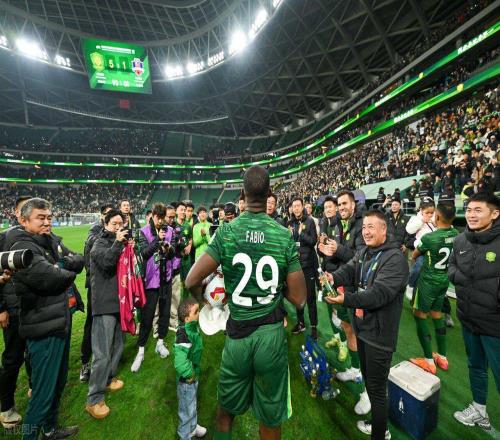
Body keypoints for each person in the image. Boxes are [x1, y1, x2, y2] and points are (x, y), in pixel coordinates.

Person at [185, 165, 307, 440]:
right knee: (270, 416)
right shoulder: (283, 234)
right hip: (271, 336)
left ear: (243, 194)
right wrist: (276, 286)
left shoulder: (227, 232)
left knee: (225, 412)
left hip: (237, 334)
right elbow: (300, 299)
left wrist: (210, 304)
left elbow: (192, 280)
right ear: (269, 193)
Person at [325, 210, 409, 440]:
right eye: (364, 227)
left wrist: (346, 299)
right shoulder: (364, 251)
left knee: (377, 390)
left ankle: (381, 433)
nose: (366, 232)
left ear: (384, 229)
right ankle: (379, 425)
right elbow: (350, 269)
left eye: (371, 227)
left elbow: (378, 294)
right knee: (372, 385)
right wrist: (334, 278)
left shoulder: (395, 259)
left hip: (379, 336)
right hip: (363, 329)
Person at [9, 198, 84, 440]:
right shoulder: (21, 245)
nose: (47, 222)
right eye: (40, 218)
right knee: (41, 395)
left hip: (59, 322)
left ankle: (50, 430)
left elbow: (79, 259)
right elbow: (52, 278)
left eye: (49, 217)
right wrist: (63, 265)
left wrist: (60, 264)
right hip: (43, 330)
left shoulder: (49, 240)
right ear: (23, 220)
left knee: (58, 384)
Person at [449, 193, 500, 430]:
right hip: (468, 318)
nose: (471, 215)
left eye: (478, 210)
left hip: (495, 324)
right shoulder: (460, 240)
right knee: (476, 366)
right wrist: (460, 278)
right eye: (469, 210)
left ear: (495, 213)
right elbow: (451, 267)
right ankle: (479, 411)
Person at [322, 190, 369, 415]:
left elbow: (361, 257)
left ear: (353, 204)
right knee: (348, 327)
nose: (340, 207)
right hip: (346, 285)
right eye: (339, 204)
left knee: (364, 337)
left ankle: (368, 391)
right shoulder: (339, 224)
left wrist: (337, 250)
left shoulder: (361, 224)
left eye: (344, 204)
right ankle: (354, 368)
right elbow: (344, 258)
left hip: (361, 289)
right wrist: (329, 254)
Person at [86, 209, 128, 420]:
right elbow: (107, 263)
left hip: (119, 303)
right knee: (102, 353)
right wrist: (118, 242)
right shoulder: (99, 242)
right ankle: (94, 399)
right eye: (114, 224)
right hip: (104, 304)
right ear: (105, 224)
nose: (118, 227)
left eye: (121, 224)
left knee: (117, 345)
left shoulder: (120, 242)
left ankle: (109, 379)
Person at [409, 203, 458, 374]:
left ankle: (429, 361)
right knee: (437, 315)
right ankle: (442, 357)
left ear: (437, 216)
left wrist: (416, 256)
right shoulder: (456, 234)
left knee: (419, 315)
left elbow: (415, 254)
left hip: (428, 282)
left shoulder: (430, 238)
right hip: (443, 281)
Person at [130, 203, 175, 372]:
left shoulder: (170, 231)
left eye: (163, 218)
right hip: (150, 281)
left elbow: (173, 254)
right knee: (147, 317)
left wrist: (168, 248)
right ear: (153, 216)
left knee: (165, 314)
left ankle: (160, 343)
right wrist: (157, 241)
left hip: (166, 279)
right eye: (158, 218)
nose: (161, 221)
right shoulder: (143, 232)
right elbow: (143, 253)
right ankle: (141, 350)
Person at [0, 196, 31, 428]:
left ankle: (34, 387)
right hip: (12, 309)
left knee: (33, 353)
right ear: (17, 214)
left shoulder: (37, 237)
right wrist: (1, 308)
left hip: (33, 307)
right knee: (12, 358)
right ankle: (6, 408)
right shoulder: (5, 238)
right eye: (25, 210)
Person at [79, 203, 114, 383]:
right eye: (107, 214)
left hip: (110, 286)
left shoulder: (114, 234)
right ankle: (85, 363)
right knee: (92, 324)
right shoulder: (95, 232)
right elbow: (91, 255)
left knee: (108, 325)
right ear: (102, 216)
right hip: (96, 286)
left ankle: (107, 361)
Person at [174, 297, 206, 440]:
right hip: (186, 380)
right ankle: (184, 435)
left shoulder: (192, 328)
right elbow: (180, 362)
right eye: (196, 312)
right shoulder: (183, 335)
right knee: (186, 410)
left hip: (193, 376)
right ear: (187, 319)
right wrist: (190, 374)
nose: (199, 313)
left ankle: (192, 428)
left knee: (192, 404)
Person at [287, 197, 319, 340]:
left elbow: (313, 241)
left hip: (308, 266)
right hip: (295, 266)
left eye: (298, 205)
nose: (296, 208)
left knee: (310, 298)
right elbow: (289, 243)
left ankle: (314, 327)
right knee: (297, 297)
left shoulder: (309, 221)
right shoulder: (290, 223)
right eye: (294, 206)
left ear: (302, 207)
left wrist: (302, 234)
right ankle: (301, 323)